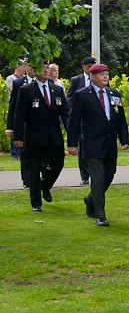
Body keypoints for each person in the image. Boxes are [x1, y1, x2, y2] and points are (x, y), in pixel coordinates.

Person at [67, 64, 129, 226]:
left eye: (107, 74)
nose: (105, 77)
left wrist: (124, 140)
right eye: (102, 74)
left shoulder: (114, 94)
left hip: (109, 144)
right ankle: (100, 215)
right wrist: (72, 144)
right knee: (98, 177)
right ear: (92, 77)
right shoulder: (81, 95)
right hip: (91, 144)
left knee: (109, 175)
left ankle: (90, 199)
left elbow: (121, 120)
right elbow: (73, 121)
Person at [12, 60, 69, 211]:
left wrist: (72, 135)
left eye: (47, 69)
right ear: (35, 71)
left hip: (54, 136)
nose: (45, 71)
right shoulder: (26, 90)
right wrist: (18, 137)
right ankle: (36, 202)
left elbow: (65, 114)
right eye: (42, 69)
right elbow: (19, 115)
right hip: (34, 136)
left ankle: (45, 185)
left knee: (58, 164)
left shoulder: (56, 90)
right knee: (35, 168)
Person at [68, 56, 96, 185]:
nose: (91, 68)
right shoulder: (76, 80)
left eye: (93, 66)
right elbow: (69, 98)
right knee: (82, 148)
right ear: (83, 67)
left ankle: (96, 174)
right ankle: (84, 176)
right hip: (81, 119)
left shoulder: (99, 79)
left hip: (95, 119)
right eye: (89, 66)